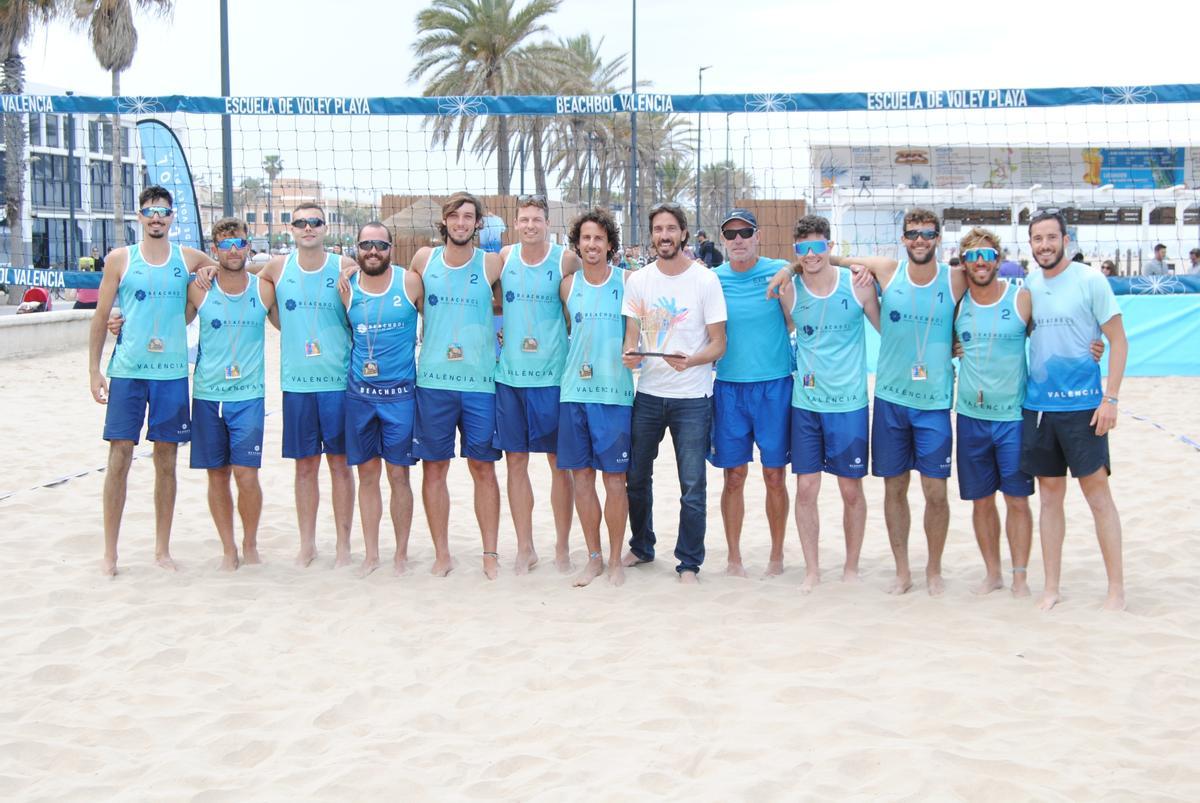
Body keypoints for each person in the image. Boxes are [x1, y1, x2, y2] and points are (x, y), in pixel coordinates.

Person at [87, 185, 218, 576]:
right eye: (149, 211)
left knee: (166, 461)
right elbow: (100, 317)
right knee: (119, 458)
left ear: (172, 217)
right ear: (139, 217)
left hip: (171, 374)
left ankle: (162, 549)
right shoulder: (119, 259)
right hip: (127, 372)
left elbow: (223, 267)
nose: (156, 217)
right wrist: (93, 370)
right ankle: (110, 553)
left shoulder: (187, 258)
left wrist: (206, 276)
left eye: (163, 211)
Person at [838, 209, 966, 595]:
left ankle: (934, 570)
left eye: (928, 233)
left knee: (936, 492)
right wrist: (787, 270)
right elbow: (828, 258)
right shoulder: (887, 269)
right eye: (913, 234)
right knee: (894, 488)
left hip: (934, 403)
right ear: (903, 238)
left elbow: (996, 299)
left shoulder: (955, 277)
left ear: (939, 238)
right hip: (891, 399)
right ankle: (902, 570)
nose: (920, 240)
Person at [1022, 209, 1128, 611]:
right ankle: (1051, 588)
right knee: (1049, 498)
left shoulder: (1090, 280)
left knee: (1097, 495)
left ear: (1065, 240)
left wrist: (1111, 398)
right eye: (1037, 239)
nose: (1045, 245)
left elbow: (1118, 341)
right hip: (1039, 409)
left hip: (1085, 408)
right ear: (1030, 244)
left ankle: (1115, 591)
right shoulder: (1029, 284)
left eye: (1051, 237)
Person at [621, 202, 727, 584]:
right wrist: (630, 357)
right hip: (648, 394)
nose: (664, 236)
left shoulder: (705, 281)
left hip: (693, 398)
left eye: (671, 229)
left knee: (692, 485)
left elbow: (719, 344)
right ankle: (642, 545)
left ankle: (688, 562)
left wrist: (694, 360)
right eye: (657, 229)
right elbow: (632, 341)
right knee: (635, 477)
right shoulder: (638, 281)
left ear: (683, 233)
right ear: (652, 235)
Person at [777, 215, 880, 593]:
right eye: (802, 248)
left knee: (851, 491)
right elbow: (782, 330)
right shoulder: (790, 290)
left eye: (817, 246)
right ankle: (812, 570)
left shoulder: (858, 286)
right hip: (806, 405)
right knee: (806, 490)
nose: (810, 254)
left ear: (829, 248)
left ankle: (851, 567)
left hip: (849, 404)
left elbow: (889, 330)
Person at [411, 192, 505, 579]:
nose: (462, 223)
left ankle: (490, 553)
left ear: (478, 223)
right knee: (434, 470)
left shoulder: (493, 264)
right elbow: (392, 288)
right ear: (445, 221)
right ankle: (442, 553)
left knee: (483, 468)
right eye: (455, 216)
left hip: (480, 382)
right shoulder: (423, 259)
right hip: (433, 381)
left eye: (469, 217)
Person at [258, 203, 358, 568]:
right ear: (292, 230)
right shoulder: (276, 268)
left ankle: (344, 545)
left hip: (337, 382)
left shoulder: (344, 266)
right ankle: (307, 544)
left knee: (340, 465)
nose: (308, 227)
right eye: (301, 222)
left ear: (325, 227)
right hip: (297, 384)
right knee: (304, 467)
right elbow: (245, 284)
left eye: (315, 222)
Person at [186, 218, 276, 570]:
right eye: (225, 245)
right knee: (217, 475)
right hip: (208, 394)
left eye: (239, 243)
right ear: (214, 250)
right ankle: (228, 548)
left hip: (249, 396)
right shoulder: (199, 289)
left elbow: (293, 320)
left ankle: (250, 543)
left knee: (246, 474)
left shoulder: (264, 288)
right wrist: (121, 321)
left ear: (248, 245)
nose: (234, 250)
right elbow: (167, 320)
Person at [494, 195, 577, 574]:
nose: (530, 225)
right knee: (515, 463)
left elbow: (577, 311)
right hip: (510, 379)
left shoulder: (564, 260)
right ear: (516, 224)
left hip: (552, 379)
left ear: (547, 223)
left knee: (560, 466)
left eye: (537, 219)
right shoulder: (504, 257)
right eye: (524, 219)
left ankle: (561, 546)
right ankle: (525, 547)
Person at [709, 208, 792, 577]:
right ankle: (734, 558)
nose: (738, 240)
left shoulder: (779, 270)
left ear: (757, 236)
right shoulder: (712, 279)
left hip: (774, 386)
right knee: (734, 476)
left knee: (775, 475)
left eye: (745, 232)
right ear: (723, 240)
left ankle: (776, 556)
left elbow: (799, 314)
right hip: (729, 388)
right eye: (731, 234)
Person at [952, 228, 1034, 597]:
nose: (980, 262)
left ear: (999, 260)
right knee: (981, 501)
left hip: (1013, 419)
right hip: (970, 417)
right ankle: (993, 573)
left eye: (986, 255)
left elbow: (1058, 332)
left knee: (1017, 500)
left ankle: (1019, 576)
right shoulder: (956, 303)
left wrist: (1094, 345)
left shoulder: (1022, 299)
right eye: (972, 256)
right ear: (964, 263)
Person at [341, 222, 422, 578]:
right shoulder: (346, 287)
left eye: (380, 245)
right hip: (360, 395)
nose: (373, 251)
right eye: (366, 245)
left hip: (401, 395)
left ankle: (401, 554)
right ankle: (371, 554)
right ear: (356, 248)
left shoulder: (409, 282)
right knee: (367, 475)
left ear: (392, 248)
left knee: (399, 475)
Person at [558, 208, 633, 587]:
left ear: (610, 245)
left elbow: (640, 332)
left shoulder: (628, 282)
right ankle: (594, 557)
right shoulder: (568, 285)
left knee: (615, 481)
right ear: (578, 243)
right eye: (586, 238)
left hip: (615, 395)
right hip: (574, 393)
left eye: (599, 238)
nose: (592, 244)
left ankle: (617, 559)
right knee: (582, 480)